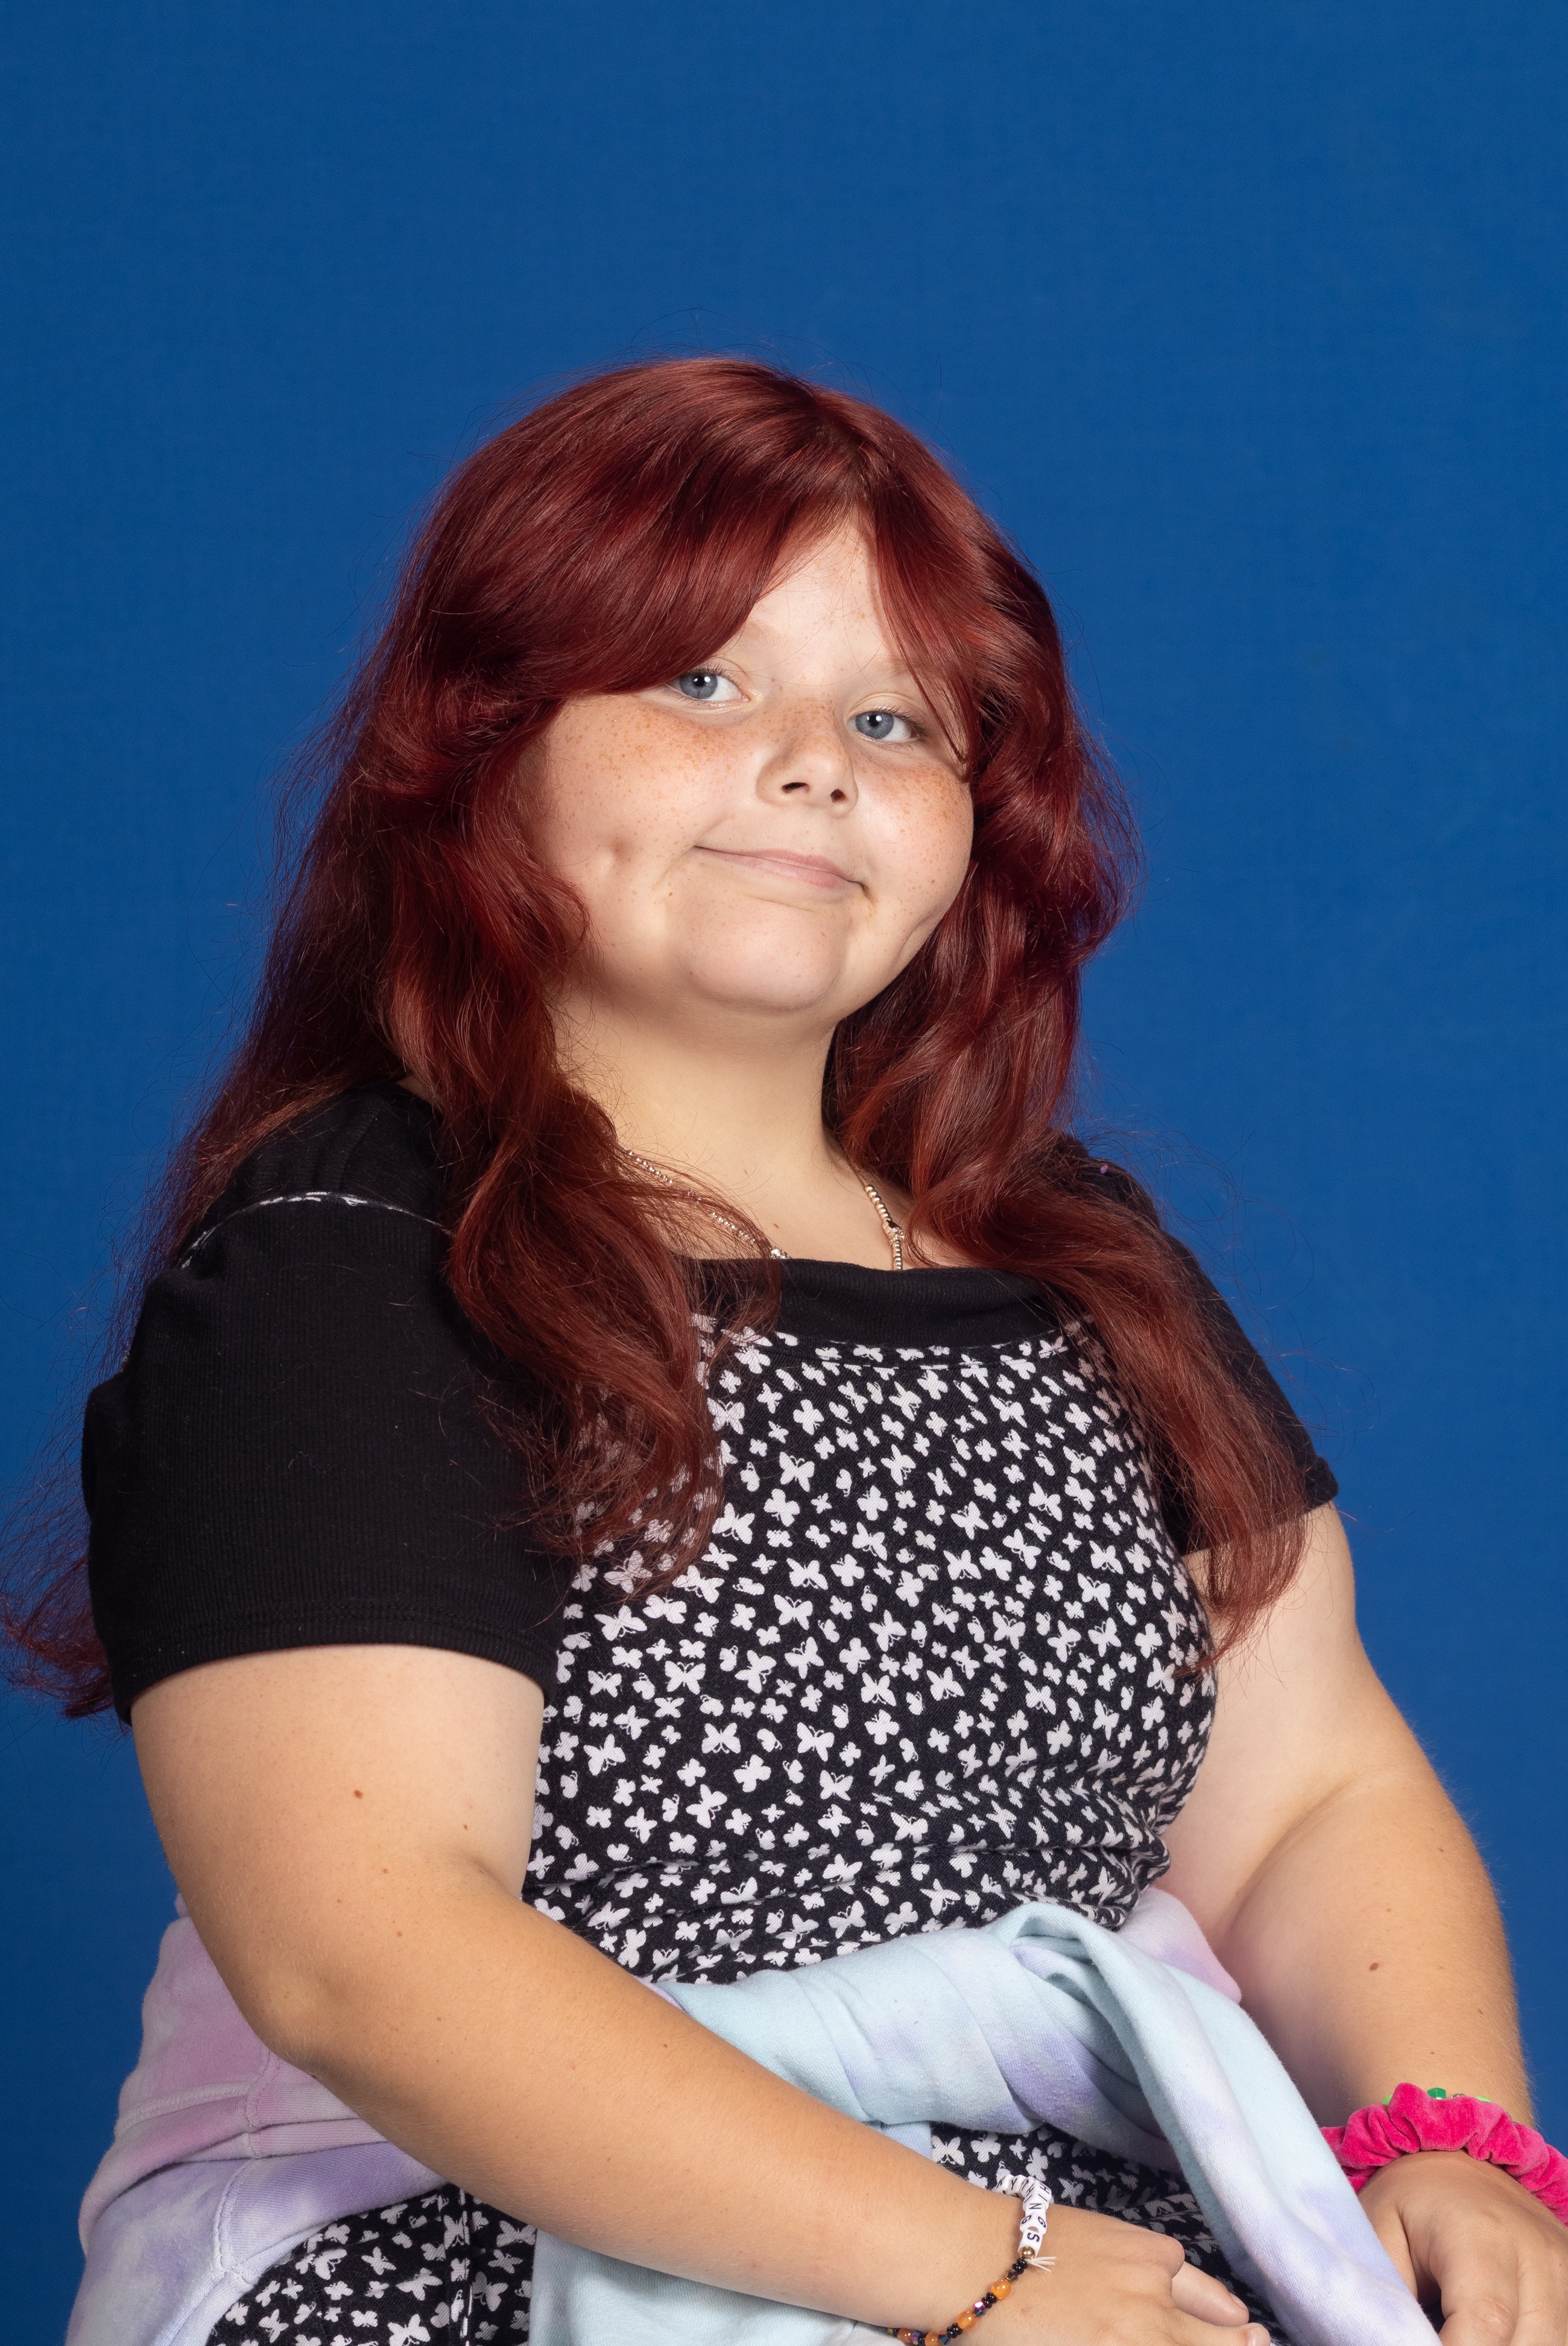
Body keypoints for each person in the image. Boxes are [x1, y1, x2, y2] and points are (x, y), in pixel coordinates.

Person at [24, 358, 1567, 2343]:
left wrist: (1447, 2142)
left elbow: (1309, 1797)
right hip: (496, 2251)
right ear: (482, 739)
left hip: (1089, 2260)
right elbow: (367, 1950)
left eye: (892, 718)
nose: (815, 766)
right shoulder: (362, 1253)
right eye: (702, 681)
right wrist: (968, 2264)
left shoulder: (1082, 1266)